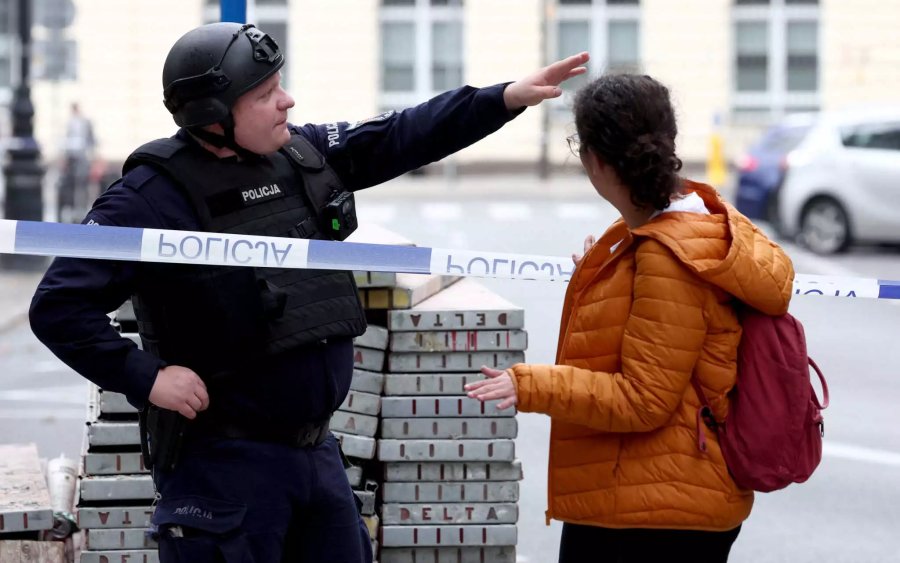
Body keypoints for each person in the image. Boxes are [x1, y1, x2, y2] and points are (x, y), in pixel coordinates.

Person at [29, 22, 588, 563]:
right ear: (213, 115)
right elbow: (58, 306)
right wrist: (147, 378)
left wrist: (503, 99)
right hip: (224, 473)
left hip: (316, 460)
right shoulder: (150, 199)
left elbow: (400, 135)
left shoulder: (300, 157)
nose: (287, 102)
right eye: (267, 93)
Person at [465, 74, 794, 563]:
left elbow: (644, 400)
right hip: (655, 497)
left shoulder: (666, 253)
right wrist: (606, 278)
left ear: (595, 160)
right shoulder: (670, 229)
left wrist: (528, 385)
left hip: (653, 513)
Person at [58, 102, 96, 222]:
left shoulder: (85, 122)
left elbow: (91, 139)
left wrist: (92, 155)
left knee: (82, 182)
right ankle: (72, 207)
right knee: (70, 184)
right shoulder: (70, 123)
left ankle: (81, 208)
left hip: (82, 156)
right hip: (71, 156)